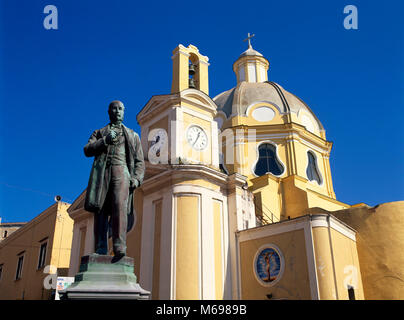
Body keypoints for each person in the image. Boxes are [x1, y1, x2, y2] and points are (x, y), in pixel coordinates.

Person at [83, 100, 145, 260]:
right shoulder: (99, 132)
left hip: (122, 170)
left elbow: (139, 162)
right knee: (100, 208)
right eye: (114, 108)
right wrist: (105, 141)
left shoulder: (132, 135)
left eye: (120, 109)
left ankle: (119, 245)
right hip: (102, 172)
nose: (117, 111)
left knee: (119, 206)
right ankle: (101, 246)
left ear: (124, 112)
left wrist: (137, 179)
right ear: (109, 112)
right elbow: (87, 150)